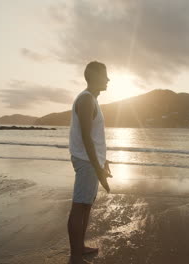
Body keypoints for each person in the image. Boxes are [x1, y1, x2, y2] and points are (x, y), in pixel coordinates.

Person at [67, 61, 113, 264]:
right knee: (80, 206)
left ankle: (80, 247)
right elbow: (86, 138)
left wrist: (104, 162)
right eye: (105, 75)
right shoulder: (86, 99)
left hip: (90, 161)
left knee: (86, 205)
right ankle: (76, 256)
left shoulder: (91, 99)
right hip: (86, 161)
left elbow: (94, 137)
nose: (108, 79)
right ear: (95, 77)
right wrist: (97, 168)